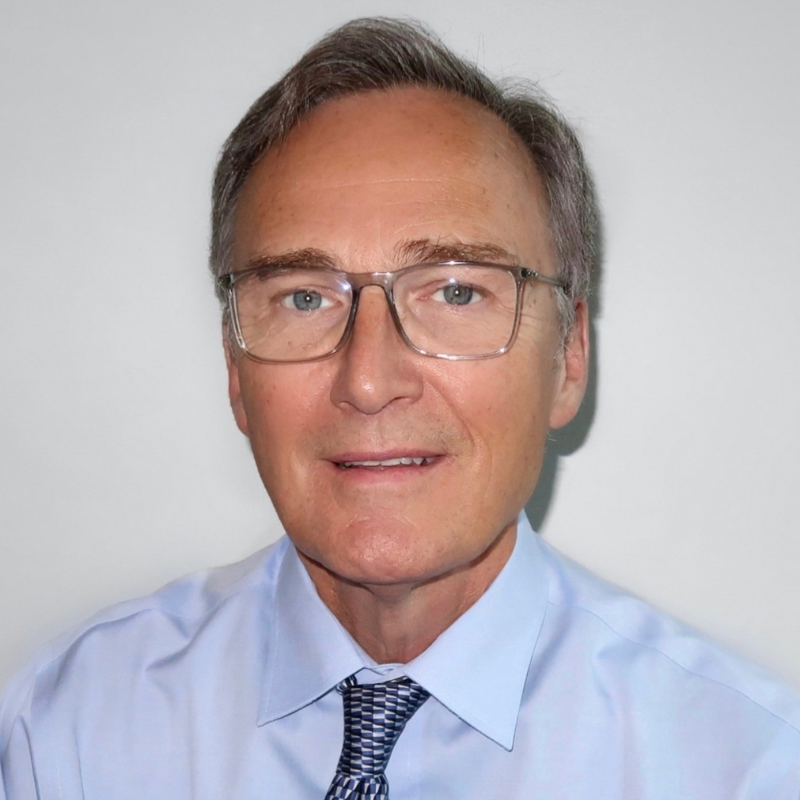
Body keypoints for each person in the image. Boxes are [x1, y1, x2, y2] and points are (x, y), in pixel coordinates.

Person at [1, 16, 799, 800]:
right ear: (235, 369)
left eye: (456, 291)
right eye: (305, 297)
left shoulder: (746, 768)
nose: (368, 380)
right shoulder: (69, 731)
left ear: (568, 359)